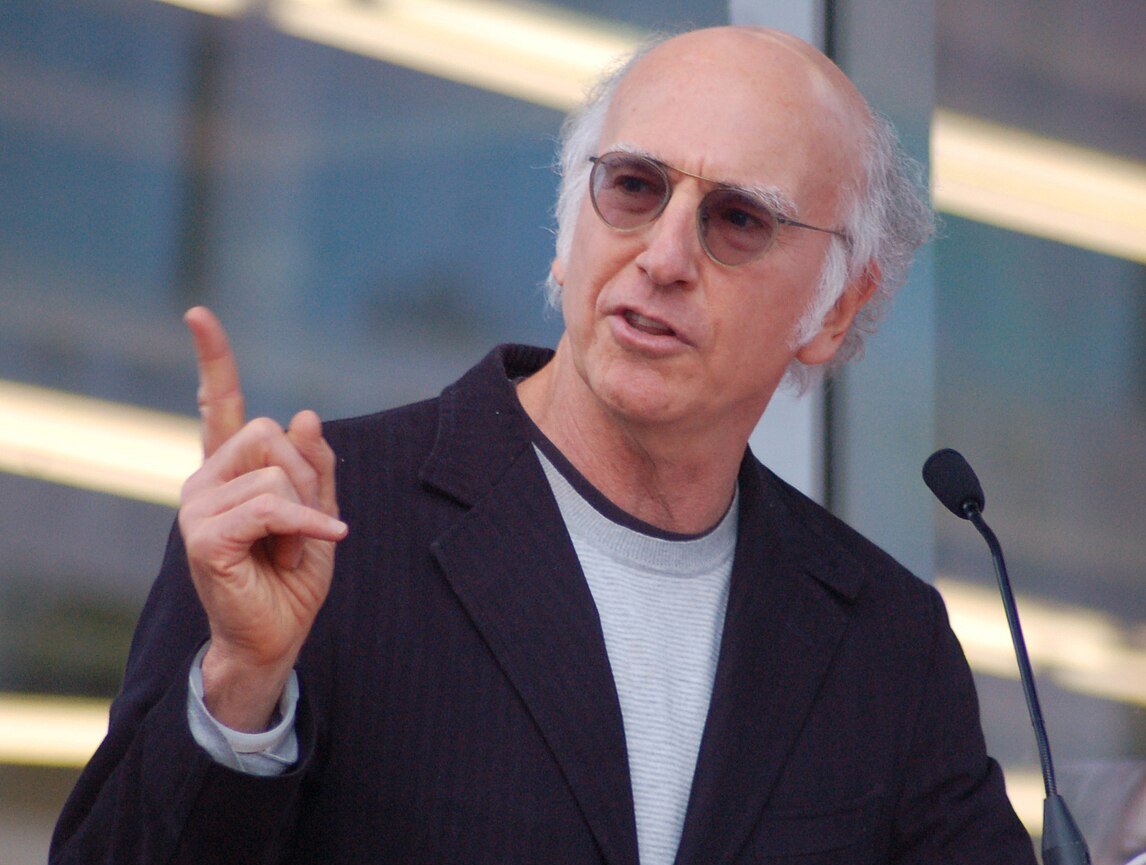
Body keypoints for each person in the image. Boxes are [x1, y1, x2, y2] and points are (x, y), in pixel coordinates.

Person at [51, 25, 1037, 865]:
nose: (662, 257)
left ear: (838, 309)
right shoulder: (315, 527)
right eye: (634, 186)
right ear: (567, 235)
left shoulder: (884, 642)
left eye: (737, 219)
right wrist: (239, 690)